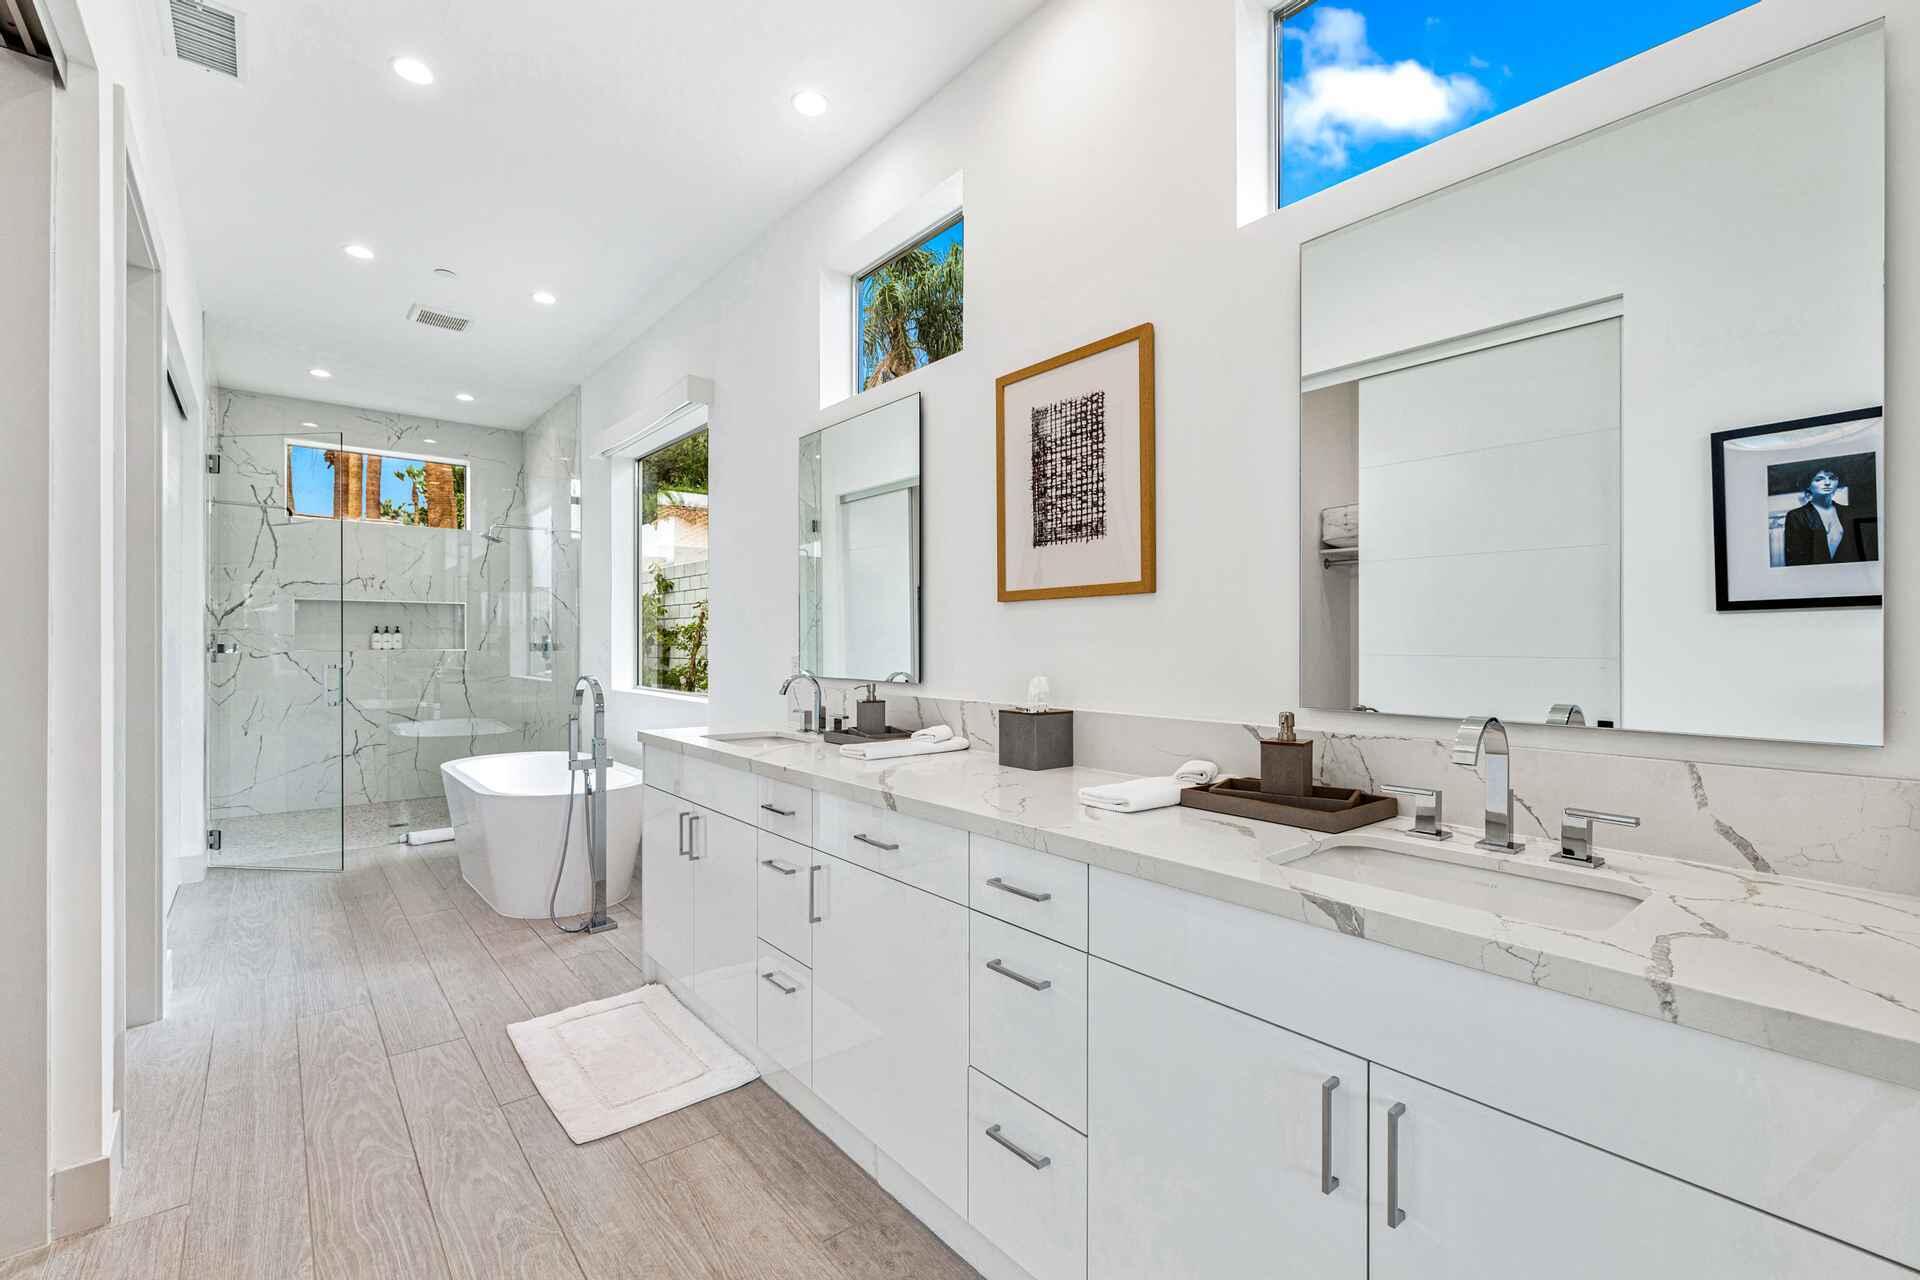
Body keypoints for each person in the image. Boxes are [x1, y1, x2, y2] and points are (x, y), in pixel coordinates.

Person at [1782, 467, 1867, 566]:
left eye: (1832, 478)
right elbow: (1794, 558)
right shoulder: (1796, 516)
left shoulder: (1849, 512)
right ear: (1808, 485)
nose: (1827, 483)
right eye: (1819, 479)